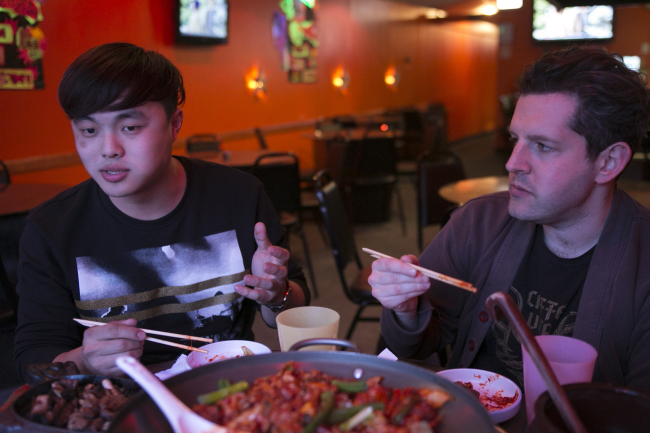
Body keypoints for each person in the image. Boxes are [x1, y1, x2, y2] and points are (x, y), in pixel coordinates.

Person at [13, 42, 309, 380]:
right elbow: (32, 359)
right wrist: (84, 360)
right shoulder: (51, 228)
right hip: (117, 406)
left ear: (174, 124)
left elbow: (294, 303)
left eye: (130, 128)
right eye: (89, 130)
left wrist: (276, 293)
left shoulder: (239, 195)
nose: (108, 150)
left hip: (226, 389)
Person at [369, 46, 650, 391]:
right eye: (516, 139)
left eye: (543, 146)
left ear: (608, 162)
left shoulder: (642, 262)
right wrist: (406, 311)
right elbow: (411, 347)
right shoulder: (478, 221)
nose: (512, 163)